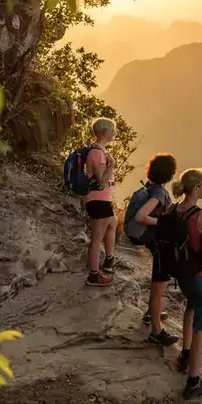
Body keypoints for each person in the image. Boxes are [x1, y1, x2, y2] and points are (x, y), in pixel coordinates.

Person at [171, 168, 202, 399]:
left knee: (191, 307)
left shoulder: (174, 210)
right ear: (198, 187)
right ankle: (193, 380)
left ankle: (185, 354)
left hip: (184, 276)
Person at [129, 153, 179, 347]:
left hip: (149, 239)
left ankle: (152, 313)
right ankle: (156, 331)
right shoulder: (159, 193)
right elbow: (141, 217)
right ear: (170, 174)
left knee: (159, 281)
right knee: (160, 284)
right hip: (156, 242)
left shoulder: (151, 187)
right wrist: (161, 223)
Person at [85, 118, 118, 287]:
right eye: (112, 131)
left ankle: (109, 260)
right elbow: (102, 181)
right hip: (99, 200)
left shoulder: (101, 151)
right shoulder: (97, 153)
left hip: (102, 199)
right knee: (97, 239)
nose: (114, 133)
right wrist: (112, 165)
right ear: (105, 132)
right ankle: (93, 275)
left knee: (113, 223)